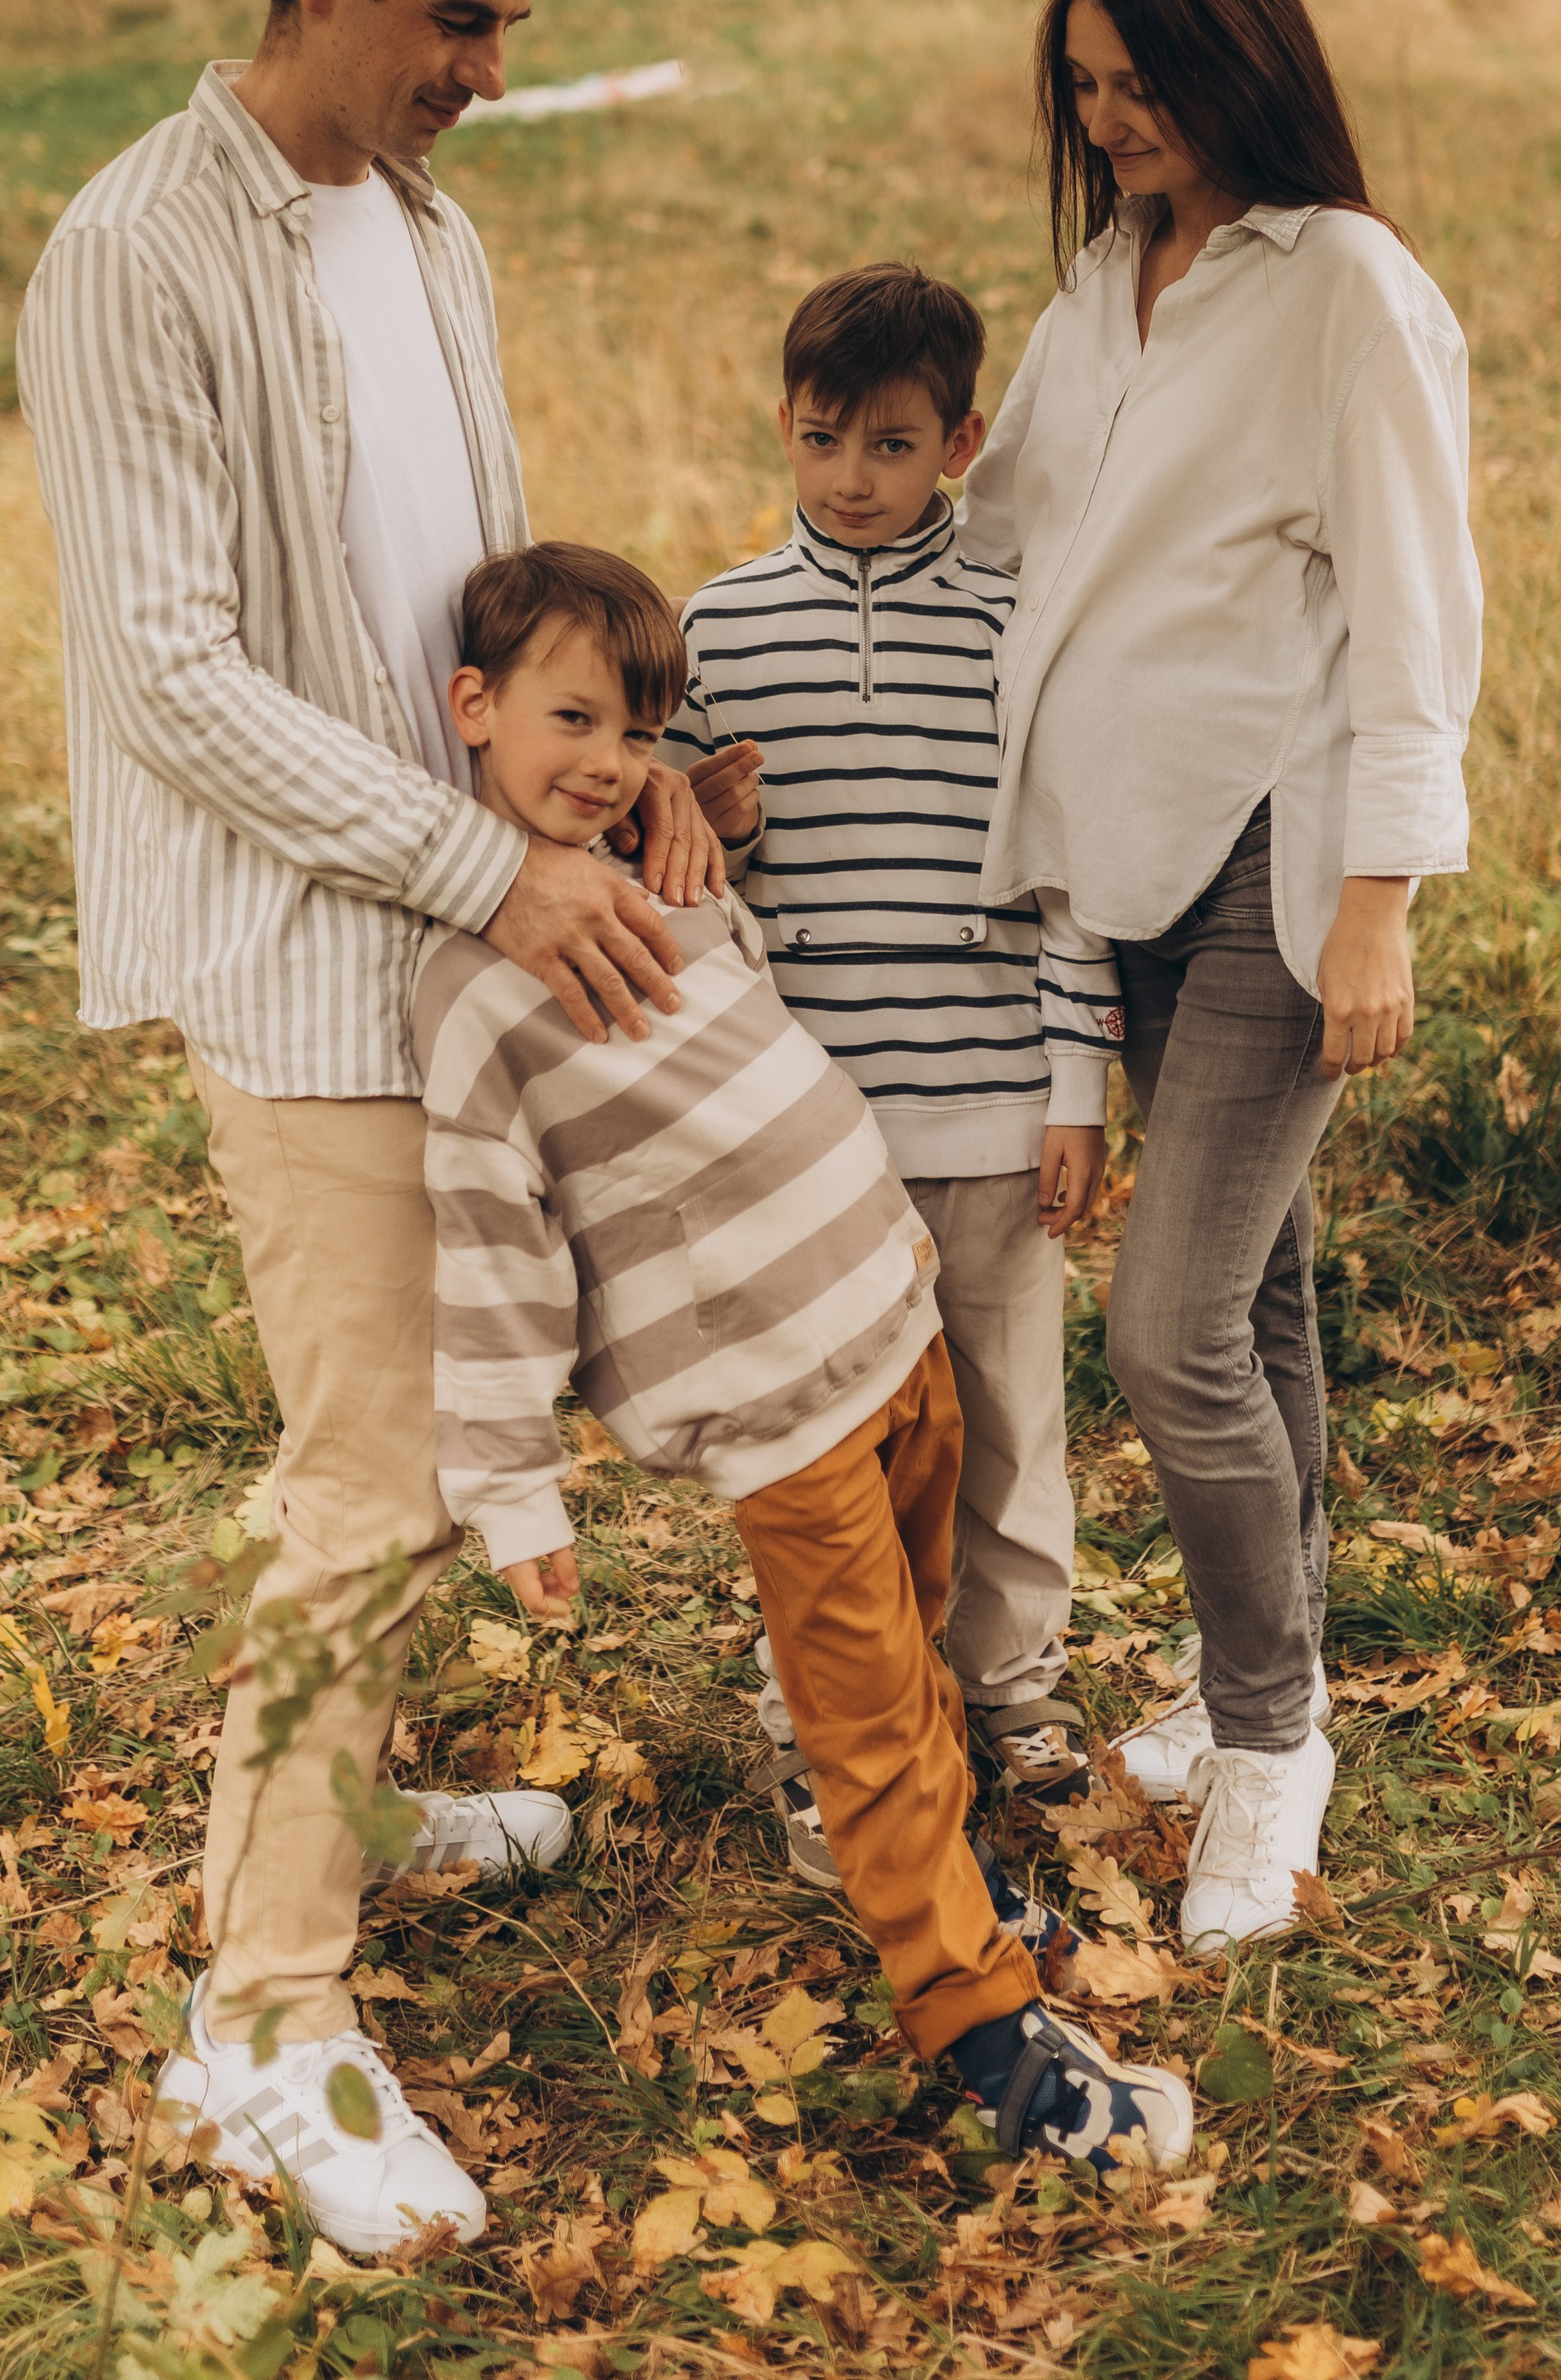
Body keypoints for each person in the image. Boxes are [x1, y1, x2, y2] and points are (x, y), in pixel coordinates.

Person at [18, 0, 722, 2261]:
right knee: (376, 1468)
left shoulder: (432, 235)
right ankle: (270, 2008)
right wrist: (485, 870)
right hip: (317, 957)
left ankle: (350, 1798)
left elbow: (493, 595)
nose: (489, 74)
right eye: (457, 18)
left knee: (434, 1427)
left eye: (513, 29)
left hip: (478, 923)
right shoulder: (135, 254)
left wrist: (638, 773)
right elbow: (175, 677)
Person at [415, 538, 1195, 2181]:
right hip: (769, 1396)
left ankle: (957, 1892)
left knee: (917, 1657)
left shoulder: (649, 867)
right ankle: (983, 2030)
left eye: (632, 733)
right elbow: (487, 1246)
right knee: (864, 1710)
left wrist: (701, 816)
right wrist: (509, 1486)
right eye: (569, 721)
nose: (605, 762)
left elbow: (742, 1008)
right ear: (469, 707)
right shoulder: (476, 989)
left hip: (888, 1320)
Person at [958, 0, 1484, 1961]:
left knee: (1166, 1330)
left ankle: (1270, 1746)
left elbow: (1414, 613)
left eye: (1140, 86)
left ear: (1237, 61)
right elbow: (998, 522)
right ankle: (1253, 1681)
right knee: (1252, 1301)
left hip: (1282, 864)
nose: (1107, 125)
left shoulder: (1343, 286)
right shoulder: (1109, 281)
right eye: (1081, 92)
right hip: (1127, 867)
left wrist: (1379, 903)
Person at [663, 266, 1123, 1874]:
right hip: (805, 1135)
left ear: (961, 442)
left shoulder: (1016, 627)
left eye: (891, 444)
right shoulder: (713, 632)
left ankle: (1015, 1684)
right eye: (818, 440)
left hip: (993, 1108)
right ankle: (836, 1718)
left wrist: (1075, 1089)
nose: (851, 478)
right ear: (781, 431)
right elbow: (664, 882)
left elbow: (1071, 875)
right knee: (833, 1441)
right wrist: (708, 830)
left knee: (1003, 1418)